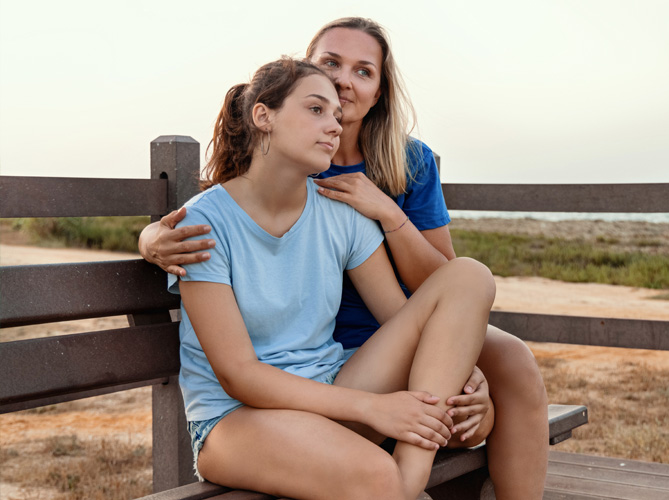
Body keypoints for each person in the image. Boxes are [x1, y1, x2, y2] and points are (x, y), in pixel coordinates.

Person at [140, 17, 550, 500]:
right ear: (263, 115)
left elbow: (414, 311)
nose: (333, 124)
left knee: (470, 277)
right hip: (238, 416)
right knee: (378, 478)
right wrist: (374, 408)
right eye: (317, 107)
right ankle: (400, 481)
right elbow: (238, 375)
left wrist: (462, 371)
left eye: (336, 114)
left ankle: (410, 474)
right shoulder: (207, 223)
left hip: (339, 383)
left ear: (378, 94)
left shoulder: (346, 207)